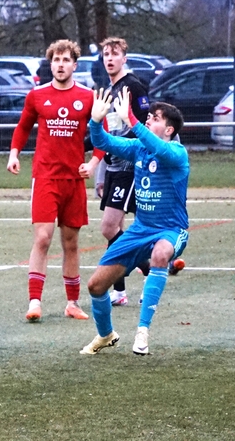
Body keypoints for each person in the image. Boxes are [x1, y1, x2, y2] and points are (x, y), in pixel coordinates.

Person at [81, 87, 189, 356]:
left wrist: (131, 119)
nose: (148, 119)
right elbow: (104, 142)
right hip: (140, 230)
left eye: (155, 118)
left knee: (161, 254)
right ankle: (106, 335)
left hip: (171, 229)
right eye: (147, 116)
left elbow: (159, 149)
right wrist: (95, 121)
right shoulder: (139, 148)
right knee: (96, 286)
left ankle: (143, 331)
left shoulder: (177, 153)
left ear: (169, 130)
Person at [7, 40, 102, 323]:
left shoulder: (87, 97)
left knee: (71, 242)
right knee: (43, 237)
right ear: (51, 65)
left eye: (65, 60)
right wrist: (14, 154)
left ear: (74, 65)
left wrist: (93, 163)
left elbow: (102, 135)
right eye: (56, 60)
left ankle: (72, 303)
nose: (60, 65)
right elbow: (23, 127)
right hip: (46, 177)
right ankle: (34, 301)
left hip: (74, 180)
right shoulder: (37, 96)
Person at [92, 37, 152, 307]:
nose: (110, 58)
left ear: (124, 58)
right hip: (114, 166)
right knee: (117, 228)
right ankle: (120, 291)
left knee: (109, 228)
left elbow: (143, 126)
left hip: (129, 167)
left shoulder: (133, 86)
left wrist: (121, 150)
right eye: (106, 54)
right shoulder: (108, 89)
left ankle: (149, 268)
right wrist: (102, 170)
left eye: (115, 54)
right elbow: (107, 132)